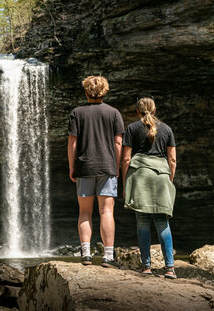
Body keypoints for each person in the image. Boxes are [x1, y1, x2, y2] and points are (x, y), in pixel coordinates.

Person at [67, 76, 124, 267]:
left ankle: (86, 255)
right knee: (106, 211)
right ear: (105, 91)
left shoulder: (77, 113)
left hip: (84, 167)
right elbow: (118, 143)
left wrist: (72, 166)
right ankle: (108, 256)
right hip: (107, 167)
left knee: (84, 212)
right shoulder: (114, 113)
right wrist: (116, 167)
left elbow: (72, 143)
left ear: (86, 92)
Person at [121, 96, 177, 279]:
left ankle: (146, 267)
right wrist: (169, 179)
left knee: (142, 222)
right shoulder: (167, 129)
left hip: (140, 177)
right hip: (161, 176)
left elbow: (126, 159)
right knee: (162, 222)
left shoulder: (131, 128)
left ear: (137, 111)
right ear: (154, 110)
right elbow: (173, 160)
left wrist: (124, 182)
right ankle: (170, 268)